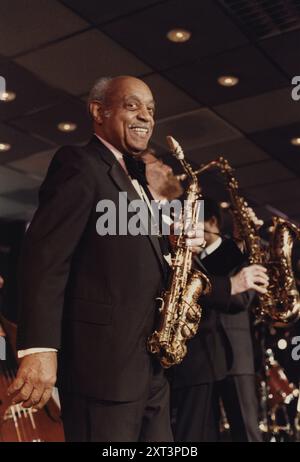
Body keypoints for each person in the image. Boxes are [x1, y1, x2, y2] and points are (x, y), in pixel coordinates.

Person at [7, 76, 205, 442]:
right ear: (99, 111)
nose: (145, 116)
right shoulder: (79, 163)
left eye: (151, 109)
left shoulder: (139, 182)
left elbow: (133, 256)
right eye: (133, 106)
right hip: (102, 370)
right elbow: (44, 257)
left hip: (151, 366)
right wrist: (40, 348)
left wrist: (175, 243)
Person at [170, 197, 267, 442]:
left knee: (246, 431)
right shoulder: (191, 257)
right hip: (199, 358)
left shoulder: (236, 252)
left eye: (192, 220)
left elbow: (241, 300)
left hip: (236, 356)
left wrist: (245, 238)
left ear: (211, 222)